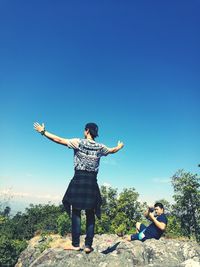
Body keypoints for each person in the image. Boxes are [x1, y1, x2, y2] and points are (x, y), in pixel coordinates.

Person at [33, 122, 124, 253]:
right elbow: (112, 150)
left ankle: (76, 244)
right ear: (95, 133)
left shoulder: (78, 142)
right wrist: (119, 146)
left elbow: (58, 140)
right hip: (92, 182)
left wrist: (43, 132)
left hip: (79, 179)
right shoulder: (100, 147)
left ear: (87, 131)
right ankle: (88, 245)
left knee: (76, 211)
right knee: (90, 213)